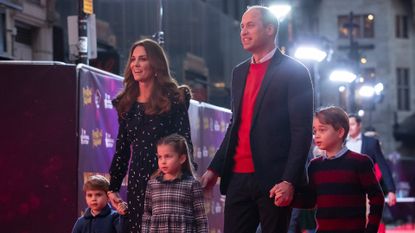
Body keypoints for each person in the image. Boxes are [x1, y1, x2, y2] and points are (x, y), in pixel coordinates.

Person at [201, 5, 314, 233]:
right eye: (242, 26)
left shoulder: (295, 71)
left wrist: (289, 180)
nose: (243, 31)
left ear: (270, 29)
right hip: (237, 178)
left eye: (250, 25)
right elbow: (236, 124)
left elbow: (301, 131)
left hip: (275, 180)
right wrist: (215, 169)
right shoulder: (239, 72)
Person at [107, 38, 194, 233]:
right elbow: (121, 150)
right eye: (133, 59)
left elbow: (185, 144)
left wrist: (187, 183)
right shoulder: (126, 104)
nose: (136, 64)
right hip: (138, 182)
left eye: (143, 59)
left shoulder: (174, 99)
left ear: (156, 64)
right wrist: (112, 188)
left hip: (168, 181)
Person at [289, 106, 385, 233]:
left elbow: (377, 197)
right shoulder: (315, 165)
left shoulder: (360, 162)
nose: (316, 135)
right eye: (314, 131)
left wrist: (371, 229)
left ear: (340, 132)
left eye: (322, 130)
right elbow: (311, 201)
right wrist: (288, 198)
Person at [141, 134, 208, 233]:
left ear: (182, 158)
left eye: (168, 156)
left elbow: (200, 218)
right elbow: (147, 215)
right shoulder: (152, 185)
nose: (163, 161)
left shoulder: (192, 184)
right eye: (160, 157)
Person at [347, 114, 397, 205]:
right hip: (344, 192)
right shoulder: (341, 143)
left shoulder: (371, 143)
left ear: (359, 125)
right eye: (347, 124)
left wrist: (391, 190)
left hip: (365, 191)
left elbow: (383, 166)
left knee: (365, 218)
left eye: (352, 124)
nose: (349, 127)